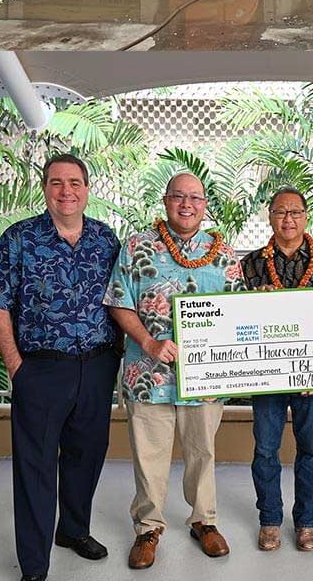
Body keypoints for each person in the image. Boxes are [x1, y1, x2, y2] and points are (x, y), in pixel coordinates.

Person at [0, 154, 122, 581]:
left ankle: (74, 530)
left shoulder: (104, 238)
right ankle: (35, 565)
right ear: (45, 188)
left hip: (97, 367)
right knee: (36, 468)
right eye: (57, 182)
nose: (67, 191)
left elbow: (122, 297)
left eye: (75, 182)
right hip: (40, 369)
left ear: (87, 188)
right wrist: (15, 365)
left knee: (87, 457)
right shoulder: (20, 238)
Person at [104, 171, 244, 570]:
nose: (187, 204)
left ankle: (204, 521)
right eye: (178, 196)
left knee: (202, 451)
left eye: (195, 198)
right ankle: (148, 528)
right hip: (148, 375)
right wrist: (148, 342)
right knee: (149, 456)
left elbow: (239, 315)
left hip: (206, 377)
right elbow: (118, 301)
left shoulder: (224, 255)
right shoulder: (137, 246)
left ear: (204, 205)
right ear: (166, 201)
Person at [241, 187, 313, 553]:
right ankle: (269, 520)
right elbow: (238, 324)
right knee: (266, 450)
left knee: (310, 451)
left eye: (295, 213)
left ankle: (306, 522)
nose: (288, 220)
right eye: (279, 212)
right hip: (266, 378)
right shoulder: (250, 265)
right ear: (269, 216)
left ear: (306, 216)